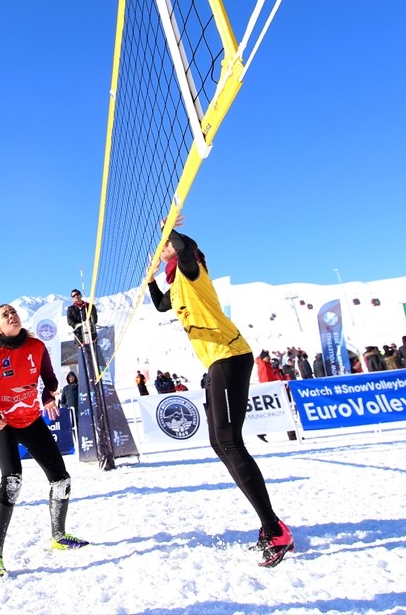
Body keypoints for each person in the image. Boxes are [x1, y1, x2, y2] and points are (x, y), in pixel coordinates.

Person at [146, 220, 293, 568]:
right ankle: (270, 525)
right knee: (218, 442)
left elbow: (183, 249)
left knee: (229, 441)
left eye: (167, 246)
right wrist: (150, 279)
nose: (164, 248)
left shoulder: (191, 270)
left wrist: (170, 230)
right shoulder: (177, 285)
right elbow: (161, 306)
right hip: (216, 362)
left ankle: (274, 529)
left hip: (230, 355)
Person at [0, 304, 89, 576]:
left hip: (31, 420)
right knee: (12, 481)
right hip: (2, 422)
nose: (11, 315)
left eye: (13, 311)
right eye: (5, 314)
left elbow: (49, 381)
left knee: (62, 480)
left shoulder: (37, 347)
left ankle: (58, 536)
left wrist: (48, 398)